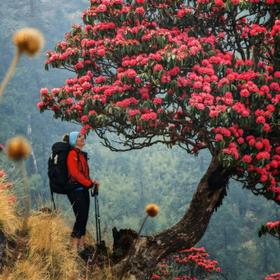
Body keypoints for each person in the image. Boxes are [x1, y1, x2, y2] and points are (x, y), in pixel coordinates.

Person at [64, 131, 99, 252]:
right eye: (79, 137)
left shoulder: (81, 155)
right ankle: (73, 247)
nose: (82, 138)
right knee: (80, 217)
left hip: (83, 189)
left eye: (82, 136)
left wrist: (91, 182)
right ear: (74, 141)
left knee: (84, 217)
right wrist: (88, 183)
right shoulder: (72, 154)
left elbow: (84, 174)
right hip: (75, 190)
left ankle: (81, 246)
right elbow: (75, 174)